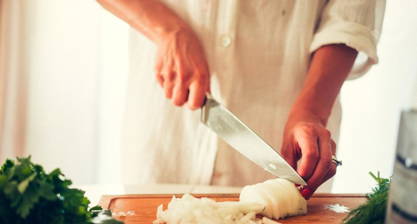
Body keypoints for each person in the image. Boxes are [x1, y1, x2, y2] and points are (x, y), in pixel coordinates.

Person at [97, 0, 385, 198]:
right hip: (166, 130)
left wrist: (311, 111)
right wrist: (167, 29)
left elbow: (351, 13)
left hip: (287, 130)